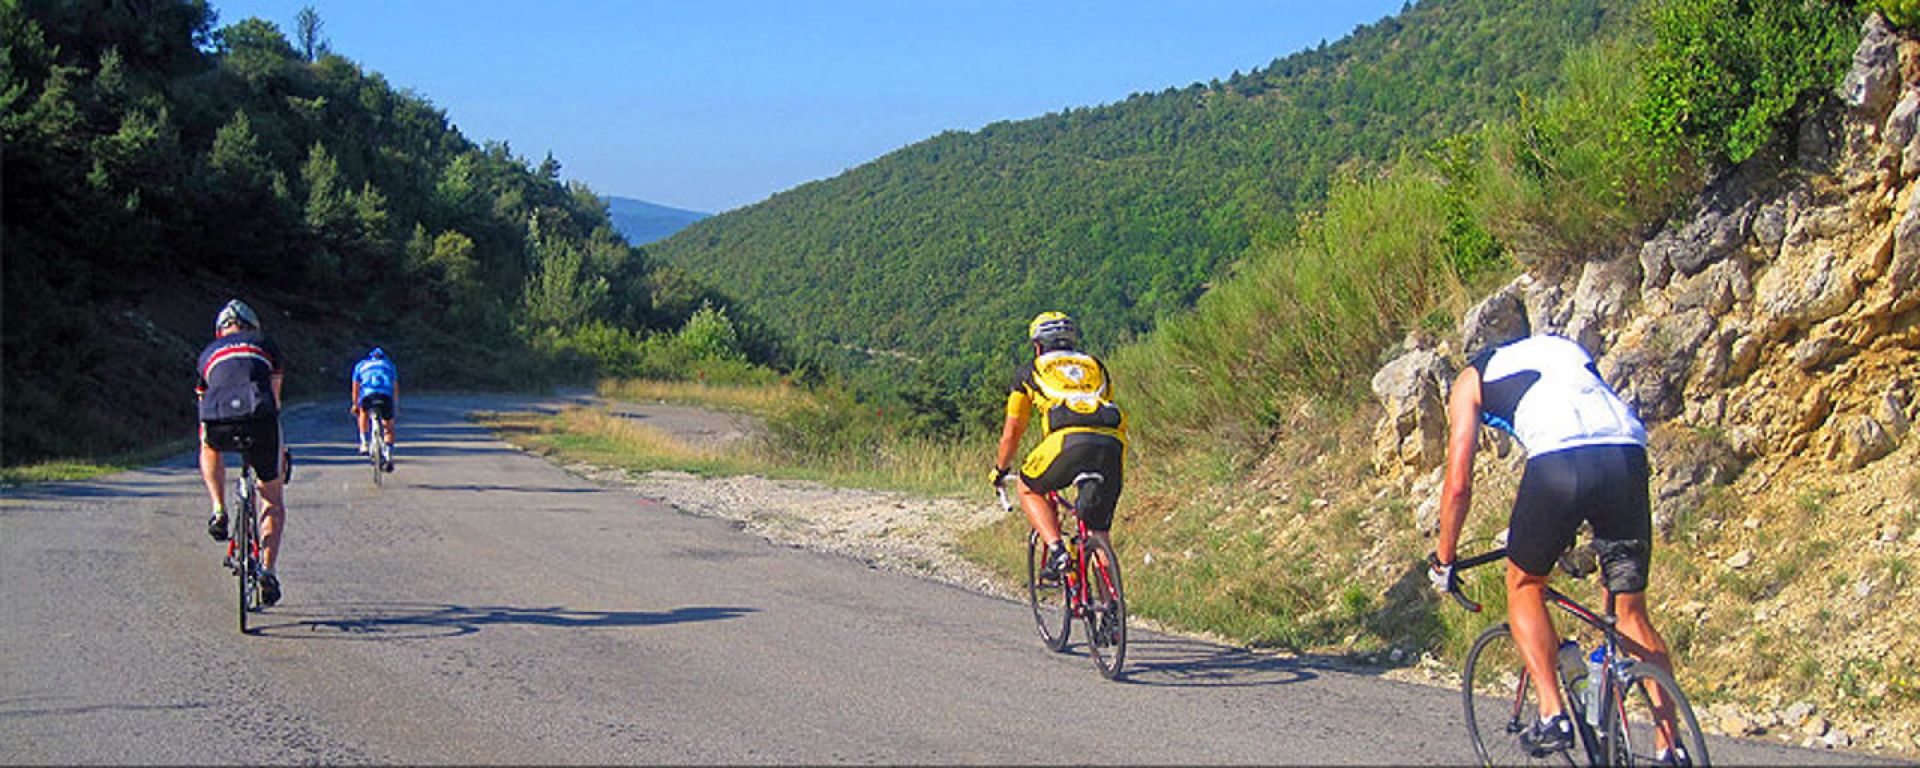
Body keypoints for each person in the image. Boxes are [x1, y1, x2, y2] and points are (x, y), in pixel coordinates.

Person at [1427, 334, 1684, 763]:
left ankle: (1551, 712)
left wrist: (1445, 558)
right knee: (1629, 611)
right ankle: (1670, 748)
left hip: (1559, 461)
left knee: (1524, 583)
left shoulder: (1470, 379)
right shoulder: (1563, 349)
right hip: (1626, 452)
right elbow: (1589, 422)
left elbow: (1458, 485)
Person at [993, 311, 1127, 583]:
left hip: (1066, 442)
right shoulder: (1095, 366)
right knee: (1098, 532)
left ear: (1038, 345)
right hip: (1110, 446)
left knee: (1028, 487)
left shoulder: (1030, 370)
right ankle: (1112, 611)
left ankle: (1057, 550)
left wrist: (1000, 469)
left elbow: (1012, 432)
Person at [196, 299, 288, 606]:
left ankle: (218, 508)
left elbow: (202, 406)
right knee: (272, 498)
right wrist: (281, 451)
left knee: (208, 444)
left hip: (218, 419)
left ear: (221, 330)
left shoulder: (208, 353)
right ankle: (268, 570)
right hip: (260, 420)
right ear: (252, 327)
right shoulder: (266, 344)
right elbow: (274, 403)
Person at [350, 346, 397, 470]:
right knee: (388, 427)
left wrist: (355, 404)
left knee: (363, 412)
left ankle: (364, 442)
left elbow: (356, 388)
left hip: (368, 395)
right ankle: (388, 454)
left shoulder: (361, 365)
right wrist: (394, 405)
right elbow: (394, 387)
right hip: (385, 395)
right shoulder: (389, 365)